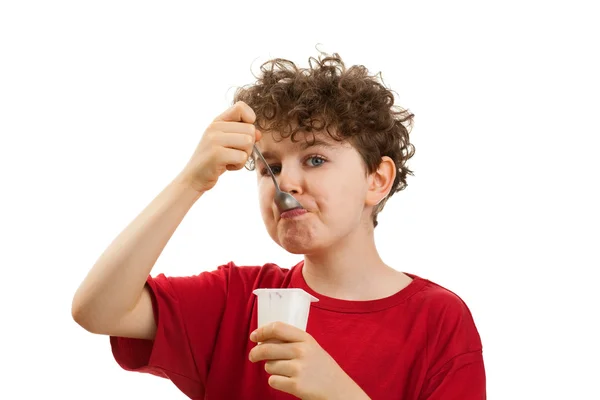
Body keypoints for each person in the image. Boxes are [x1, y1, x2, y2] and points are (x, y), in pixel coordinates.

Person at [72, 52, 486, 399]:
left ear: (376, 180)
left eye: (315, 159)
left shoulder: (438, 321)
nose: (283, 182)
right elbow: (97, 310)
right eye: (270, 165)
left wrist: (341, 393)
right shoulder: (237, 300)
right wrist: (190, 182)